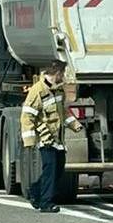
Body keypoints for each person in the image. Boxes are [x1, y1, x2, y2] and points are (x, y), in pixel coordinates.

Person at [20, 62, 83, 213]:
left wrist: (75, 125)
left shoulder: (58, 90)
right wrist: (29, 140)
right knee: (51, 170)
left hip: (58, 139)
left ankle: (35, 192)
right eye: (63, 73)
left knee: (58, 170)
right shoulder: (38, 91)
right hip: (46, 138)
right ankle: (46, 203)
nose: (64, 77)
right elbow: (27, 116)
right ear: (57, 73)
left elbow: (63, 112)